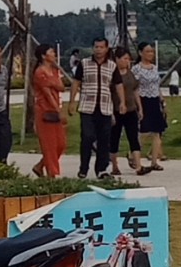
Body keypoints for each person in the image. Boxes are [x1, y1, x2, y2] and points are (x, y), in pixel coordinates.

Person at [75, 38, 117, 179]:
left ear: (106, 49)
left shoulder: (112, 66)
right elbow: (76, 82)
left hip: (105, 107)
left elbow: (118, 85)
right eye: (96, 47)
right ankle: (83, 168)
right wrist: (72, 101)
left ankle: (101, 169)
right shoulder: (84, 63)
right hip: (87, 107)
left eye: (101, 47)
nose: (98, 50)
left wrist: (122, 103)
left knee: (104, 140)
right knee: (87, 137)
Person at [31, 46, 70, 177]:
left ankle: (40, 166)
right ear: (43, 56)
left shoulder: (53, 70)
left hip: (55, 109)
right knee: (49, 145)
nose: (54, 54)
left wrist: (52, 83)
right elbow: (47, 94)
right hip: (44, 111)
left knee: (61, 144)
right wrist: (58, 111)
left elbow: (61, 87)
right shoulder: (39, 72)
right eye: (51, 52)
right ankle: (52, 174)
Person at [110, 46, 142, 176]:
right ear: (117, 59)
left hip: (131, 109)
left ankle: (138, 166)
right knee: (114, 138)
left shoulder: (130, 74)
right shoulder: (112, 74)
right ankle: (114, 166)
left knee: (133, 137)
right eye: (124, 58)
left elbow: (135, 90)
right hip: (116, 110)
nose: (127, 61)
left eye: (128, 59)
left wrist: (140, 107)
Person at [135, 42, 167, 173]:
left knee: (157, 132)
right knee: (144, 131)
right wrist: (139, 106)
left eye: (152, 51)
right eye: (147, 51)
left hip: (154, 100)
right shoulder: (136, 69)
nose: (150, 54)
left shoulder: (154, 68)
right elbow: (135, 88)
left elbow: (156, 86)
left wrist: (162, 100)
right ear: (140, 53)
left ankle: (154, 161)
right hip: (143, 100)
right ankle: (134, 154)